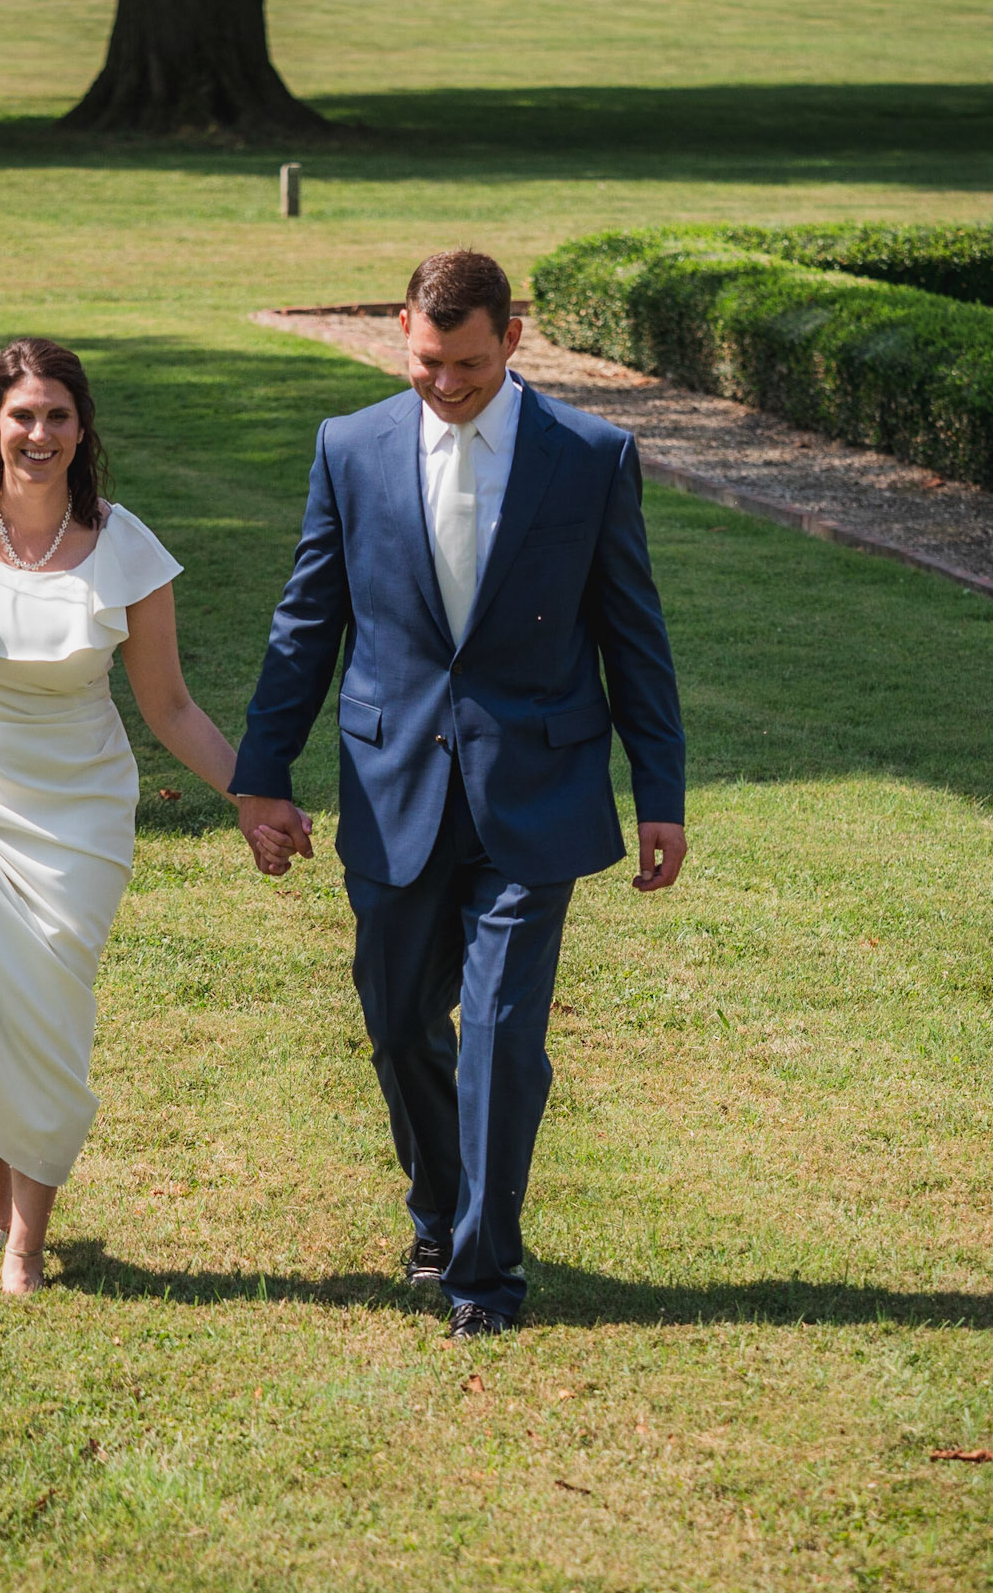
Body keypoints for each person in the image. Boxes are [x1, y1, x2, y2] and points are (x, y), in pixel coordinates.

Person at [233, 250, 686, 1339]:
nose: (445, 383)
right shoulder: (349, 447)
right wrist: (262, 773)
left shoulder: (591, 455)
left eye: (469, 365)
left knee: (498, 1035)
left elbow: (633, 633)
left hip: (537, 789)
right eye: (428, 361)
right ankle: (438, 1206)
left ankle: (485, 1274)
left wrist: (660, 792)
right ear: (403, 332)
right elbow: (308, 622)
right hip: (394, 785)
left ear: (512, 339)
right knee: (399, 1025)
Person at [0, 338, 240, 1295]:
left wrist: (253, 797)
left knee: (47, 1010)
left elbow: (171, 707)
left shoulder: (126, 549)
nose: (39, 434)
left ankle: (27, 1240)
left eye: (57, 416)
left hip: (78, 813)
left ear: (81, 426)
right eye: (22, 415)